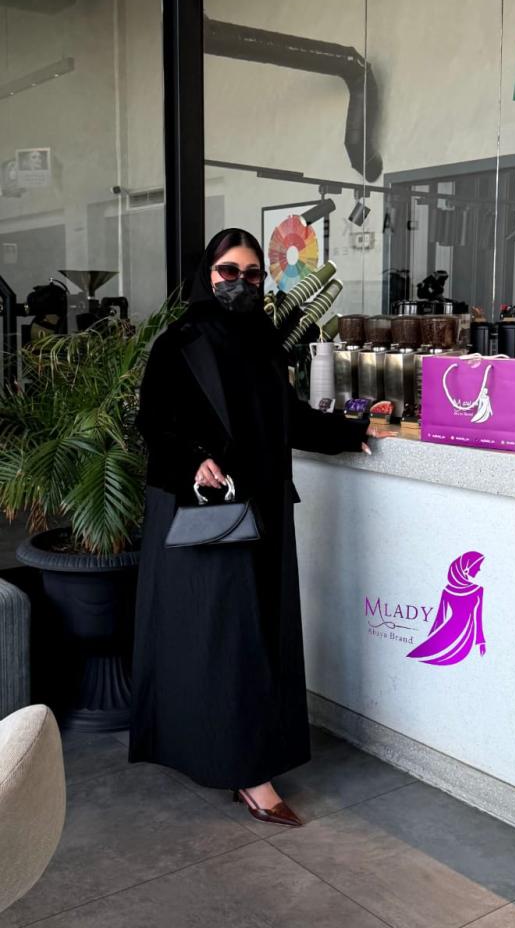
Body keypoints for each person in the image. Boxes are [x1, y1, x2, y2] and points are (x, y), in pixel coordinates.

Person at [129, 228, 387, 828]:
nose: (240, 284)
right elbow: (152, 424)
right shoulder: (179, 342)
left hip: (265, 508)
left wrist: (351, 432)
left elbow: (287, 417)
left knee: (262, 637)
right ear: (207, 275)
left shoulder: (264, 340)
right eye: (229, 272)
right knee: (226, 641)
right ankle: (248, 774)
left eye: (252, 275)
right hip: (207, 508)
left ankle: (247, 757)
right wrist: (192, 459)